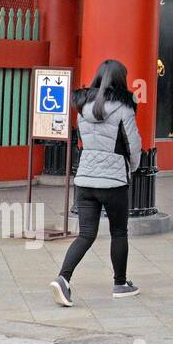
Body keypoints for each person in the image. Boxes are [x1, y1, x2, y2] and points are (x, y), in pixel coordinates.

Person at [50, 59, 143, 307]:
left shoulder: (82, 107)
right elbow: (133, 145)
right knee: (118, 231)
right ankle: (120, 284)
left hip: (85, 180)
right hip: (113, 182)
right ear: (121, 79)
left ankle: (63, 278)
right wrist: (130, 169)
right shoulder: (124, 109)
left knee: (86, 234)